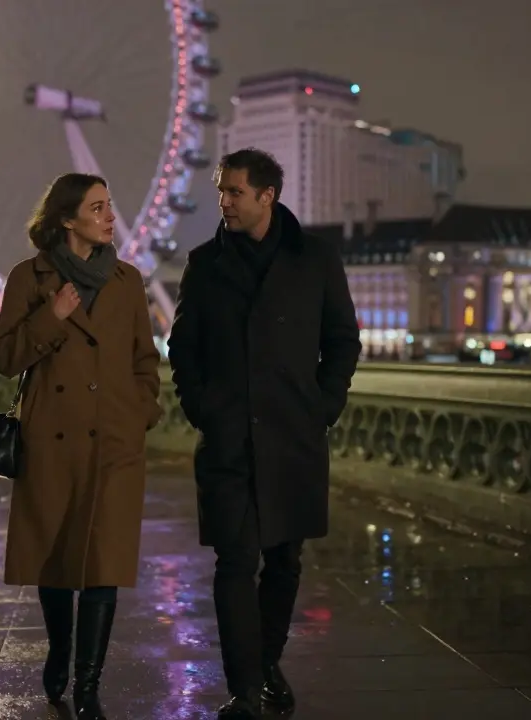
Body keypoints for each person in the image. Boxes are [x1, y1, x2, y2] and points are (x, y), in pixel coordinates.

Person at [167, 148, 361, 718]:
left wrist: (322, 407)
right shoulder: (205, 263)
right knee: (234, 562)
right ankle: (245, 691)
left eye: (234, 192)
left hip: (293, 436)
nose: (223, 202)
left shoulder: (315, 259)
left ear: (266, 196)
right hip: (230, 437)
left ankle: (265, 662)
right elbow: (183, 347)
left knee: (283, 562)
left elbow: (342, 340)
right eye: (220, 191)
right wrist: (203, 407)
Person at [0, 172, 163, 719]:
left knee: (105, 563)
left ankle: (88, 684)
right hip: (53, 441)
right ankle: (60, 649)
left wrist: (140, 412)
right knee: (57, 560)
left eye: (109, 205)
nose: (111, 217)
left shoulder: (127, 281)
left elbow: (144, 358)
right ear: (67, 219)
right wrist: (53, 316)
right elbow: (4, 358)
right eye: (97, 208)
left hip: (114, 441)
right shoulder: (29, 278)